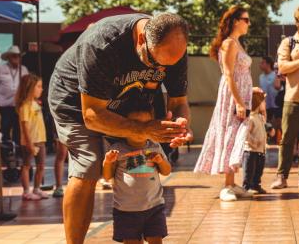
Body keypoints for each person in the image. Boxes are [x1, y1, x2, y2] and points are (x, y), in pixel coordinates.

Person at [48, 13, 191, 244]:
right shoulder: (102, 44)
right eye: (156, 62)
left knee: (139, 152)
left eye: (169, 64)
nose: (162, 68)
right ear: (141, 39)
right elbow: (92, 115)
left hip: (126, 101)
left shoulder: (173, 49)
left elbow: (179, 102)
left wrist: (182, 126)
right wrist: (143, 129)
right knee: (90, 164)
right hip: (76, 102)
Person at [194, 5, 255, 202]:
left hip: (242, 94)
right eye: (246, 19)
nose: (248, 23)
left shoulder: (237, 42)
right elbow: (228, 74)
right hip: (232, 95)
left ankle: (231, 182)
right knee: (230, 132)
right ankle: (226, 186)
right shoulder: (229, 43)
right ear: (236, 21)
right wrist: (238, 101)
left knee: (237, 134)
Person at [102, 99, 171, 244]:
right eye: (135, 124)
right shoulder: (118, 149)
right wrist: (108, 162)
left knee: (156, 240)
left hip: (154, 207)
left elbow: (166, 171)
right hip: (126, 210)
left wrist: (160, 161)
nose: (141, 130)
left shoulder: (155, 146)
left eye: (146, 125)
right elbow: (108, 176)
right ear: (124, 125)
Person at [273, 5, 299, 190]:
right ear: (296, 23)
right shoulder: (288, 43)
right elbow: (282, 68)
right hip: (293, 97)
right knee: (287, 139)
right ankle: (281, 176)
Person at [16, 74, 49, 200]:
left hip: (41, 140)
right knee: (26, 165)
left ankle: (37, 188)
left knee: (41, 166)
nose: (41, 89)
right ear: (30, 88)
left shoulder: (36, 104)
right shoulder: (25, 106)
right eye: (39, 86)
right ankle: (26, 191)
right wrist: (29, 143)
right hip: (29, 142)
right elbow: (25, 127)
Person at [0, 45, 29, 143]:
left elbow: (27, 86)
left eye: (18, 56)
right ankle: (6, 151)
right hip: (5, 104)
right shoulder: (0, 69)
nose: (16, 58)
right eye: (14, 56)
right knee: (5, 127)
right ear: (8, 57)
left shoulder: (23, 69)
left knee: (18, 128)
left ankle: (18, 151)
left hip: (19, 104)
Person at [241, 89, 268, 194]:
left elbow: (264, 127)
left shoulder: (260, 117)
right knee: (249, 170)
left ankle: (256, 185)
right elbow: (246, 134)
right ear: (257, 103)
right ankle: (247, 186)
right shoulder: (251, 118)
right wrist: (253, 141)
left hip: (260, 150)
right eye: (263, 101)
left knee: (259, 169)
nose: (265, 103)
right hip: (251, 150)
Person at [259, 56, 281, 121]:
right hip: (266, 106)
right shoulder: (261, 77)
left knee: (278, 124)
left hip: (277, 105)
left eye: (262, 63)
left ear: (268, 64)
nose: (260, 65)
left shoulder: (276, 75)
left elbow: (279, 87)